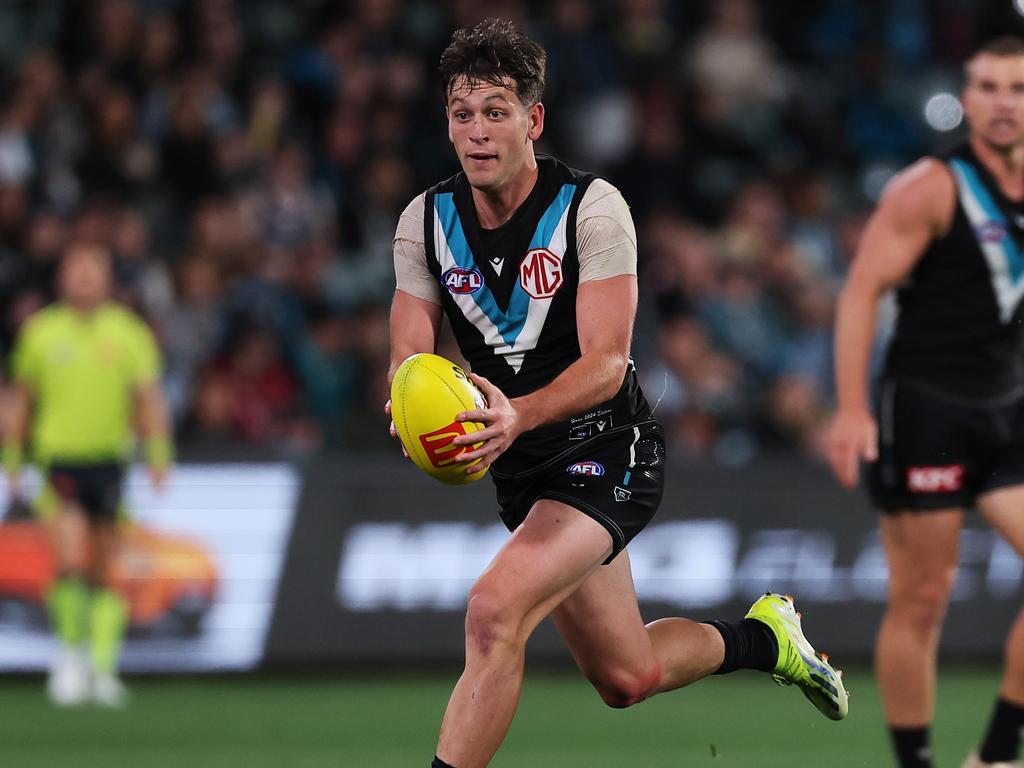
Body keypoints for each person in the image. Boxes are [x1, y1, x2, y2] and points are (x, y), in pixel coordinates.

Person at [387, 19, 848, 768]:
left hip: (608, 447)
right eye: (462, 113)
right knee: (626, 677)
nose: (476, 131)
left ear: (533, 120)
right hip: (523, 470)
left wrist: (517, 414)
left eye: (496, 112)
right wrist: (406, 396)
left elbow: (608, 362)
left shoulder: (592, 208)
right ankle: (767, 639)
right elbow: (409, 348)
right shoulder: (424, 222)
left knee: (493, 611)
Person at [827, 36, 1024, 768]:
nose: (1004, 101)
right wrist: (851, 409)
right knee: (922, 600)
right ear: (966, 98)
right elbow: (859, 294)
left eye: (1018, 87)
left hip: (1007, 406)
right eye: (989, 86)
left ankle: (999, 751)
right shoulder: (933, 187)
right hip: (927, 410)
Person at [4, 242, 172, 707]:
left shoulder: (128, 332)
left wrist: (158, 453)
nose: (83, 277)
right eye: (75, 268)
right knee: (70, 558)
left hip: (110, 462)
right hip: (59, 461)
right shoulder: (40, 332)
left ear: (107, 279)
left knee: (102, 568)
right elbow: (22, 399)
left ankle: (101, 668)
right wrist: (13, 456)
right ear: (61, 277)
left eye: (92, 269)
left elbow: (148, 398)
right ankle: (69, 658)